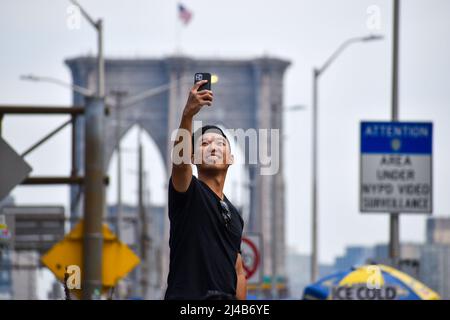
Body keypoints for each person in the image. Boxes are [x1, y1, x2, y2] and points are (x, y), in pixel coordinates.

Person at [164, 79, 247, 300]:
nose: (213, 147)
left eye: (220, 144)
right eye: (204, 143)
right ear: (193, 157)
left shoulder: (236, 216)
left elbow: (238, 271)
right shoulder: (188, 193)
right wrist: (188, 115)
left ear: (231, 158)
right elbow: (179, 163)